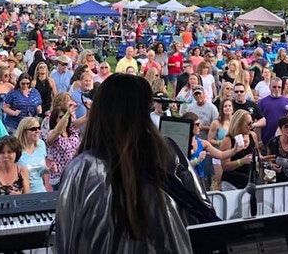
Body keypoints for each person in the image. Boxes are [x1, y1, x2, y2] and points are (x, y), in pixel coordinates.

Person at [55, 74, 195, 253]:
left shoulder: (82, 167)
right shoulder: (169, 154)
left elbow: (65, 238)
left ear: (100, 111)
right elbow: (204, 220)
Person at [220, 110, 257, 190]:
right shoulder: (228, 140)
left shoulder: (253, 135)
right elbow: (225, 166)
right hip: (232, 183)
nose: (251, 126)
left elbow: (257, 155)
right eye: (249, 123)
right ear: (239, 123)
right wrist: (241, 161)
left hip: (249, 182)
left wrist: (266, 160)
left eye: (252, 122)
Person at [16, 116, 50, 193]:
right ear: (24, 131)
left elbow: (40, 171)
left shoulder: (41, 144)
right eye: (33, 129)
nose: (37, 131)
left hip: (41, 191)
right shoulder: (16, 149)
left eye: (38, 128)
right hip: (23, 194)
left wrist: (49, 170)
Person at [258, 77, 288, 144]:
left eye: (279, 87)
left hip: (285, 140)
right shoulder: (262, 102)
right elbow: (258, 122)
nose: (277, 89)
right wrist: (259, 140)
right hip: (266, 139)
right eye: (274, 87)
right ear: (269, 87)